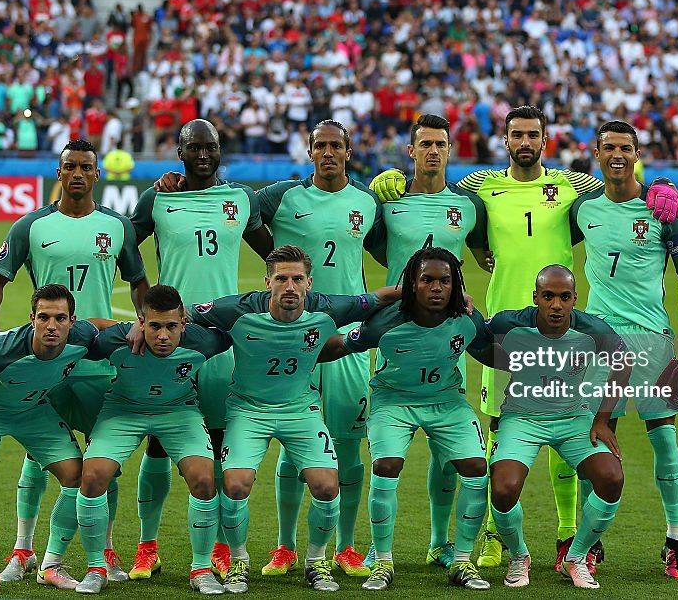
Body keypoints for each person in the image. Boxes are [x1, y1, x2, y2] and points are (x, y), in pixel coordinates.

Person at [370, 105, 678, 571]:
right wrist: (388, 181)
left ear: (545, 139)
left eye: (532, 135)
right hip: (502, 327)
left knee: (566, 425)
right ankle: (496, 535)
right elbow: (443, 210)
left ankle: (565, 533)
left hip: (562, 329)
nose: (524, 141)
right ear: (504, 139)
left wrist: (662, 185)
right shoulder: (478, 188)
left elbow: (621, 188)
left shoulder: (576, 188)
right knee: (498, 427)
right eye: (516, 134)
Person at [186, 245, 403, 593]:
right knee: (236, 484)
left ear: (309, 282)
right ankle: (239, 562)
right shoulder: (237, 309)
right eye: (282, 278)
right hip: (248, 409)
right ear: (267, 281)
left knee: (327, 486)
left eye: (297, 279)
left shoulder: (327, 308)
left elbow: (375, 299)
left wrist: (425, 292)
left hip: (300, 409)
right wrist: (140, 325)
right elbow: (184, 313)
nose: (289, 286)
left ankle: (315, 563)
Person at [0, 139, 148, 585]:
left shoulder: (116, 226)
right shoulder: (32, 225)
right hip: (47, 358)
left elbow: (138, 282)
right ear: (60, 172)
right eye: (69, 166)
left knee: (102, 459)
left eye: (85, 167)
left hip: (97, 362)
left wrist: (141, 320)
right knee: (37, 458)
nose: (77, 173)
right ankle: (23, 550)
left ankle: (107, 550)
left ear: (97, 174)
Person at [131, 119, 272, 579]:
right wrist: (143, 306)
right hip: (167, 339)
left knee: (214, 445)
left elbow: (273, 254)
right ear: (180, 151)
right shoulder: (159, 198)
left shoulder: (239, 199)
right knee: (157, 442)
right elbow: (122, 248)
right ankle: (146, 546)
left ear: (219, 151)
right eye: (195, 147)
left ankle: (216, 550)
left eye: (211, 147)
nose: (204, 155)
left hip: (220, 341)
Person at [569, 121, 678, 579]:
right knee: (595, 439)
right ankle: (591, 543)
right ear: (597, 153)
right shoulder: (582, 207)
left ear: (637, 151)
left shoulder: (662, 209)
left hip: (651, 341)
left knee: (664, 438)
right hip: (600, 340)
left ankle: (676, 539)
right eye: (609, 148)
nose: (617, 155)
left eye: (625, 147)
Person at [255, 120, 385, 578]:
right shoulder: (281, 197)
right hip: (296, 336)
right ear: (309, 152)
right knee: (294, 444)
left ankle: (347, 546)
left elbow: (393, 250)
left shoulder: (367, 202)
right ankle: (286, 546)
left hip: (348, 339)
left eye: (336, 146)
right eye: (319, 146)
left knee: (349, 446)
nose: (328, 152)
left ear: (349, 152)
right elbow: (238, 214)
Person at [321, 247, 494, 591]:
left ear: (455, 285)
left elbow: (491, 352)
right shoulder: (385, 323)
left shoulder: (467, 319)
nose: (436, 288)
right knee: (387, 464)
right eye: (427, 280)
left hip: (447, 401)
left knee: (476, 467)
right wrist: (291, 356)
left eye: (445, 281)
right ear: (412, 284)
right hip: (393, 401)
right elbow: (340, 344)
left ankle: (461, 560)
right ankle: (383, 562)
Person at [369, 113, 489, 570]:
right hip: (398, 330)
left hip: (448, 333)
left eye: (441, 144)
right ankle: (377, 552)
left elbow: (484, 252)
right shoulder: (388, 203)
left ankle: (441, 543)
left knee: (449, 447)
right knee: (388, 440)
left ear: (450, 150)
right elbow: (372, 244)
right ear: (411, 151)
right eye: (426, 144)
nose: (434, 151)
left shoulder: (468, 206)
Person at [0, 285, 105, 596]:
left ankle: (52, 565)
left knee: (76, 476)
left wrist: (136, 327)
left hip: (33, 410)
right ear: (32, 318)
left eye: (60, 318)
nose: (51, 326)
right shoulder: (2, 350)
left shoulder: (81, 335)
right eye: (43, 317)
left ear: (72, 320)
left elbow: (99, 325)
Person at [73, 285, 232, 595]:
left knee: (204, 479)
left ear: (184, 323)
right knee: (92, 478)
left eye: (171, 326)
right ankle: (96, 568)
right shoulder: (116, 340)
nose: (163, 335)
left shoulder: (205, 341)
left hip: (178, 411)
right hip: (123, 410)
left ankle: (200, 569)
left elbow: (234, 327)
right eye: (154, 326)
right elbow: (86, 327)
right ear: (141, 322)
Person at [486, 266, 627, 590]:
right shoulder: (511, 323)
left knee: (611, 478)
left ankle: (575, 557)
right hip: (522, 419)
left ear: (574, 299)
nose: (556, 305)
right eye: (548, 296)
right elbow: (475, 339)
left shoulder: (591, 328)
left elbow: (624, 361)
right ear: (536, 297)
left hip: (573, 418)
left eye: (564, 297)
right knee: (503, 489)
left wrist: (602, 418)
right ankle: (520, 556)